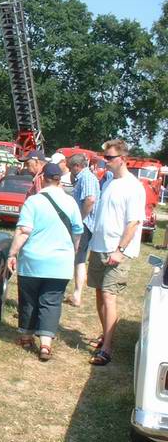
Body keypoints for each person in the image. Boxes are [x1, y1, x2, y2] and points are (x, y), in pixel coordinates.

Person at [7, 163, 83, 361]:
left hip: (33, 260)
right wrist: (72, 250)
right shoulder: (71, 202)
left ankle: (26, 337)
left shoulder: (33, 202)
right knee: (51, 301)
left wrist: (12, 254)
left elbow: (24, 231)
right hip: (60, 262)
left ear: (42, 178)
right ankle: (46, 345)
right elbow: (77, 232)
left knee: (29, 299)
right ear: (59, 179)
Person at [87, 139, 146, 366]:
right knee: (100, 294)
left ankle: (108, 349)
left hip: (117, 252)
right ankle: (105, 336)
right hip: (100, 247)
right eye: (105, 157)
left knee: (110, 297)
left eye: (110, 158)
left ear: (123, 159)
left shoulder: (133, 187)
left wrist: (120, 250)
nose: (106, 161)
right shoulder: (110, 182)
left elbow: (133, 223)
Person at [66, 153, 100, 307]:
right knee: (78, 259)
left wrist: (79, 219)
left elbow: (90, 199)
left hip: (84, 224)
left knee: (78, 258)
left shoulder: (86, 178)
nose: (69, 171)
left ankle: (77, 294)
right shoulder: (85, 177)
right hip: (85, 224)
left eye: (70, 167)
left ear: (77, 166)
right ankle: (76, 293)